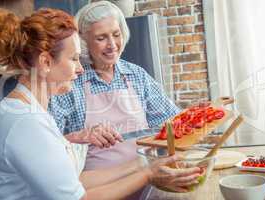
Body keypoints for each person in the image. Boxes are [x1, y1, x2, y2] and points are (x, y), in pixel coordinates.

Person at [0, 8, 202, 200]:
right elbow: (79, 197)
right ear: (46, 62)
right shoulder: (26, 122)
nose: (80, 68)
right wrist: (148, 174)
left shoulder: (29, 112)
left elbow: (75, 181)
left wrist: (143, 165)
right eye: (74, 59)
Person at [49, 0, 181, 171]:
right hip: (100, 188)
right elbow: (49, 144)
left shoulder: (137, 75)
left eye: (116, 34)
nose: (112, 45)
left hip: (147, 180)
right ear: (83, 43)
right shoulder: (71, 83)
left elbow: (171, 123)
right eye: (101, 38)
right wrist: (81, 135)